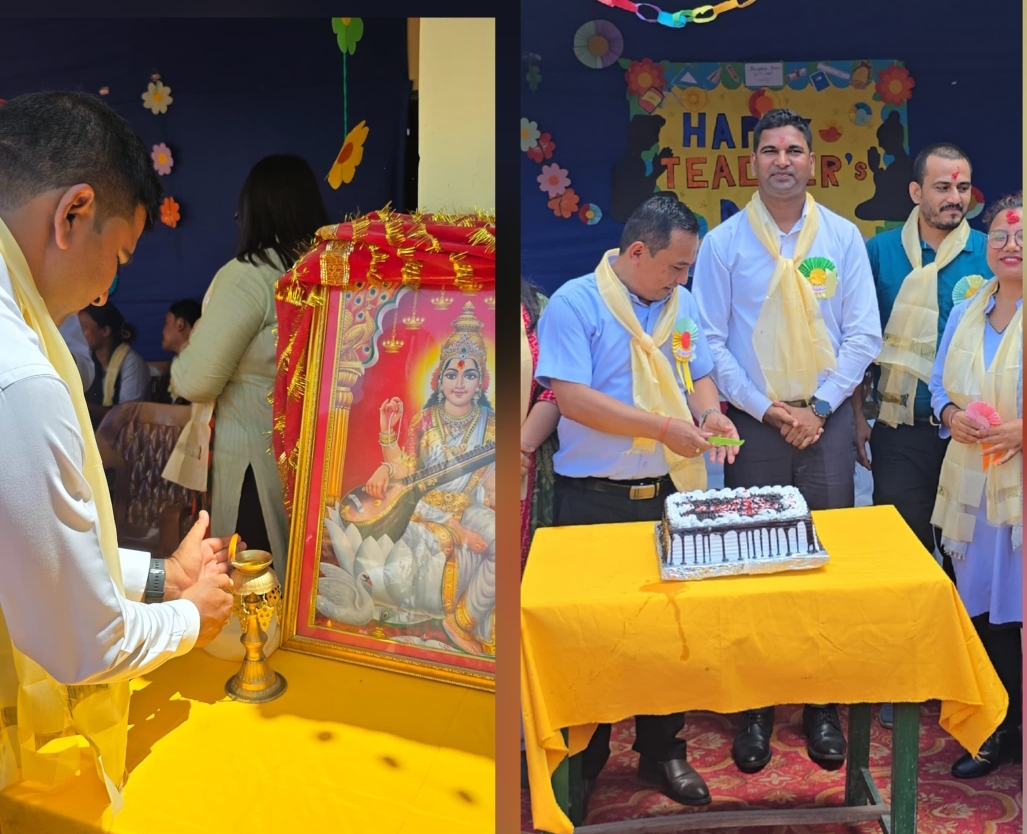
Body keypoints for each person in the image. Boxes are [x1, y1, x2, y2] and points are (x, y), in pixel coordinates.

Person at [0, 91, 233, 804]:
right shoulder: (21, 377)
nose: (107, 292)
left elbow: (31, 548)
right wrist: (193, 615)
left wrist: (164, 577)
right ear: (72, 214)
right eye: (119, 258)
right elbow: (82, 640)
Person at [692, 109, 882, 775]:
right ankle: (756, 710)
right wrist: (770, 410)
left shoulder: (843, 236)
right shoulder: (723, 244)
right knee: (756, 563)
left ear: (811, 163)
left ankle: (821, 706)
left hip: (825, 422)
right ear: (751, 163)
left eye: (793, 150)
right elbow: (709, 341)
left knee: (823, 562)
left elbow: (863, 332)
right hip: (755, 425)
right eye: (769, 150)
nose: (781, 160)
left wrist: (820, 406)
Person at [536, 195, 741, 811]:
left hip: (671, 493)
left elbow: (697, 372)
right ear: (636, 251)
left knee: (670, 633)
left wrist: (710, 413)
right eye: (675, 266)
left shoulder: (683, 303)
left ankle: (662, 749)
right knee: (591, 634)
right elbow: (571, 398)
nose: (683, 277)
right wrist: (662, 427)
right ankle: (586, 755)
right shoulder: (576, 303)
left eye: (688, 267)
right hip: (594, 499)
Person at [858, 143, 991, 730]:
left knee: (965, 556)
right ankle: (904, 676)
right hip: (901, 430)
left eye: (962, 188)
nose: (954, 198)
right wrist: (857, 416)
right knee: (906, 555)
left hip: (971, 438)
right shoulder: (880, 252)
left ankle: (968, 678)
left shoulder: (992, 253)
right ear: (916, 193)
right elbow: (858, 339)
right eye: (942, 187)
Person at [169, 154, 329, 580]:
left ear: (254, 211)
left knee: (257, 591)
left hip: (255, 465)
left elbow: (195, 380)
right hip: (314, 458)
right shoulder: (321, 273)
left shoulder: (250, 275)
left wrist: (187, 352)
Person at [930, 193, 1022, 778]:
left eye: (1022, 237)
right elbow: (940, 386)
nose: (1011, 246)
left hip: (1020, 495)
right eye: (1000, 237)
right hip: (973, 494)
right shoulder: (966, 311)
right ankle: (996, 729)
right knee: (986, 616)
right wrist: (949, 415)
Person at [351, 302, 496, 655]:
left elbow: (493, 485)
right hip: (423, 510)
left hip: (468, 507)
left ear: (481, 382)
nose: (459, 383)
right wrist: (387, 438)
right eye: (451, 374)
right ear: (438, 379)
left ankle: (463, 622)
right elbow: (407, 474)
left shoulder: (492, 426)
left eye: (469, 375)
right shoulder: (425, 420)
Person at [520, 277, 559, 574]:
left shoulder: (537, 308)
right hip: (448, 461)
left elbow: (556, 387)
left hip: (523, 461)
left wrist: (520, 448)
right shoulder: (426, 300)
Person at [79, 300, 150, 406]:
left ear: (105, 331)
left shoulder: (132, 363)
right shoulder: (86, 360)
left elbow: (126, 411)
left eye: (84, 328)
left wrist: (83, 408)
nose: (79, 334)